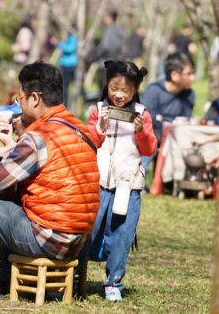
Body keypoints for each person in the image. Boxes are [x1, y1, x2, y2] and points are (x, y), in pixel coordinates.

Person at [0, 62, 99, 301]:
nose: (18, 104)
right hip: (79, 241)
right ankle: (6, 280)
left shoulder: (39, 136)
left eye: (20, 97)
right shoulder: (79, 129)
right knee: (12, 204)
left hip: (49, 238)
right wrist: (10, 142)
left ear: (35, 98)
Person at [85, 61, 157, 302]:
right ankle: (77, 274)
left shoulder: (142, 114)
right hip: (98, 182)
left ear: (135, 90)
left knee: (122, 234)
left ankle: (113, 282)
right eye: (114, 87)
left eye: (125, 90)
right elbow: (88, 144)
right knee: (89, 231)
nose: (118, 94)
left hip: (128, 184)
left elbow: (149, 150)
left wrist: (140, 131)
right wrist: (101, 126)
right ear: (107, 84)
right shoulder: (97, 110)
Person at [138, 53, 196, 176]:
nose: (193, 78)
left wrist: (164, 120)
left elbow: (185, 120)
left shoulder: (189, 95)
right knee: (151, 137)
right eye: (189, 74)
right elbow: (147, 120)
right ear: (174, 75)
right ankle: (139, 177)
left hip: (176, 134)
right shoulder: (154, 91)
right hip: (153, 132)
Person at [93, 11, 125, 89]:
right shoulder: (119, 29)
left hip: (105, 61)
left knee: (104, 85)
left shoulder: (108, 29)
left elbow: (105, 46)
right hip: (116, 60)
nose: (104, 19)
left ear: (110, 18)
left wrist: (97, 55)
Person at [54, 33, 78, 106]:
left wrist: (58, 43)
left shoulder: (73, 37)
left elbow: (70, 49)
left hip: (69, 66)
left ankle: (66, 104)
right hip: (65, 65)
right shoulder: (69, 37)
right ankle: (65, 103)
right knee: (64, 86)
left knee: (66, 85)